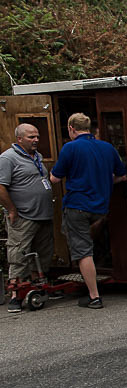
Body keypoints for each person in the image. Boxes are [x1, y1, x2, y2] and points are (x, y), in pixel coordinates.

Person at [50, 113, 127, 309]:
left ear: (71, 128)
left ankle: (94, 296)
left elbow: (55, 179)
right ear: (90, 128)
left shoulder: (70, 147)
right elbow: (122, 176)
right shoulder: (107, 147)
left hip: (77, 205)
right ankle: (93, 275)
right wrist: (104, 182)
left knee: (82, 250)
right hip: (101, 207)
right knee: (89, 243)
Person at [0, 124, 54, 313]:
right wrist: (12, 210)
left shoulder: (37, 157)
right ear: (19, 139)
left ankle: (36, 287)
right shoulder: (8, 158)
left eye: (37, 136)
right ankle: (15, 295)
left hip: (43, 215)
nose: (36, 140)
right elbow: (1, 187)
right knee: (18, 254)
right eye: (31, 137)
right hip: (23, 216)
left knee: (42, 253)